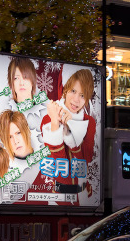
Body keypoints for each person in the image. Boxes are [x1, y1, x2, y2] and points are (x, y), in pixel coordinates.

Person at [39, 69, 96, 199]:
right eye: (73, 91)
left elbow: (86, 158)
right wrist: (55, 121)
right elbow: (57, 160)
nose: (76, 100)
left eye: (82, 95)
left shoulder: (89, 122)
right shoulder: (48, 118)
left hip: (84, 195)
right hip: (58, 195)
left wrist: (70, 126)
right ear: (65, 90)